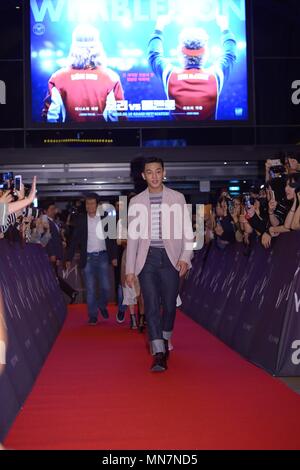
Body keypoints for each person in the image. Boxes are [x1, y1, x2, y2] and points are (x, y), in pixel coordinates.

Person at [125, 157, 194, 372]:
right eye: (149, 172)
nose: (154, 176)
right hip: (147, 261)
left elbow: (188, 233)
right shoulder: (136, 201)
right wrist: (129, 270)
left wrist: (185, 257)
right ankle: (158, 353)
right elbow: (133, 239)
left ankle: (165, 339)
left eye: (158, 171)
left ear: (164, 172)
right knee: (152, 306)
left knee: (170, 306)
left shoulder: (178, 198)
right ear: (143, 175)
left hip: (171, 259)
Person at [148, 13, 237, 120]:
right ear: (205, 54)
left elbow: (154, 54)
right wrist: (225, 27)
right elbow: (230, 54)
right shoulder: (215, 76)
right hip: (211, 136)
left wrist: (159, 26)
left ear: (180, 53)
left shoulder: (170, 75)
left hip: (175, 136)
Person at [42, 24, 125, 123]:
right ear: (98, 46)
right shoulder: (111, 77)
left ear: (73, 46)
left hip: (67, 136)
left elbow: (50, 118)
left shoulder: (57, 77)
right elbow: (119, 117)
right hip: (104, 136)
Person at [66, 194, 117, 325]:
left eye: (92, 203)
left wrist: (114, 256)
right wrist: (68, 258)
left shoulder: (106, 219)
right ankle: (93, 315)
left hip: (103, 257)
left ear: (97, 205)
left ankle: (101, 304)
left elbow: (112, 239)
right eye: (87, 204)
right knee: (90, 289)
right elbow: (74, 240)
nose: (90, 206)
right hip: (87, 258)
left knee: (106, 287)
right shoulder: (81, 220)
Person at [43, 202, 78, 304]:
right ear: (45, 211)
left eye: (54, 209)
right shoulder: (45, 221)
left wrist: (58, 255)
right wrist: (52, 254)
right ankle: (70, 292)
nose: (54, 211)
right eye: (51, 209)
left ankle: (70, 293)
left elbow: (55, 239)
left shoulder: (53, 222)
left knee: (53, 277)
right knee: (53, 277)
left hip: (55, 254)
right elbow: (48, 240)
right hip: (51, 254)